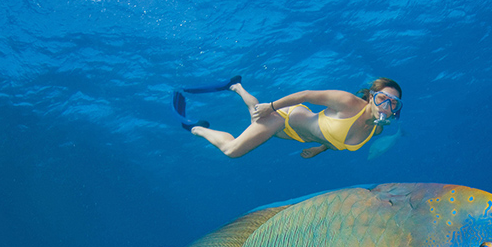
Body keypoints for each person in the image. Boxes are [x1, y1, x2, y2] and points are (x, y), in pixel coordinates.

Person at [173, 77, 403, 159]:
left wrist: (319, 149)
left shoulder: (377, 130)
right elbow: (306, 95)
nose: (387, 105)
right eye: (383, 98)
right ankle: (196, 128)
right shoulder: (348, 102)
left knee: (256, 117)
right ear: (372, 96)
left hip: (291, 135)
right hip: (285, 118)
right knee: (233, 151)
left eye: (394, 103)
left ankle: (236, 86)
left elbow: (337, 137)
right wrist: (271, 107)